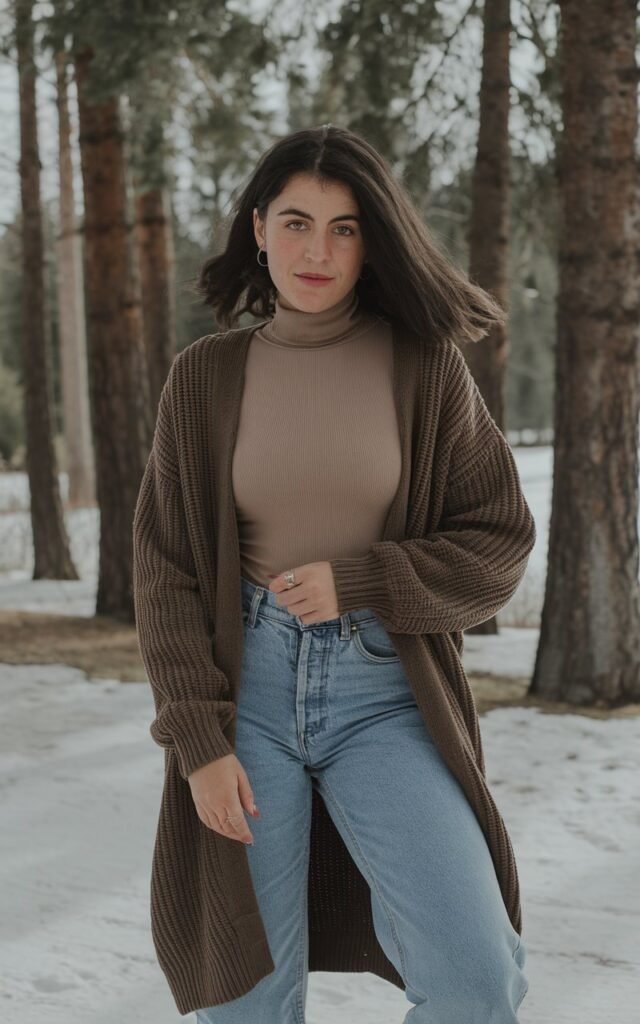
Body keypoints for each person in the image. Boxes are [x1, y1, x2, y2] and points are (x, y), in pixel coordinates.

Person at [132, 123, 536, 1022]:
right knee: (245, 1001)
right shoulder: (203, 377)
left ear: (373, 241)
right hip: (250, 701)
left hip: (388, 695)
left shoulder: (423, 368)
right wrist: (198, 740)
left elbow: (498, 538)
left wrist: (368, 580)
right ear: (258, 228)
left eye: (347, 228)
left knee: (476, 978)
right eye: (298, 222)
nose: (319, 250)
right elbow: (163, 572)